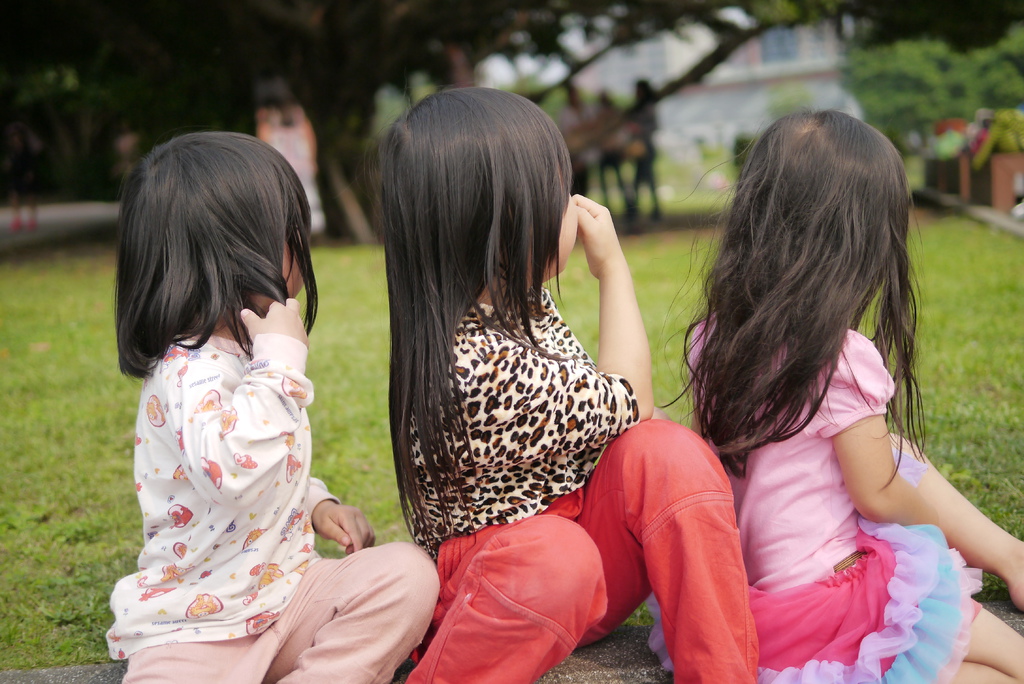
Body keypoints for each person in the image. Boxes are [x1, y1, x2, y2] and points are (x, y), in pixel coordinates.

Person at [377, 87, 757, 684]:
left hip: (581, 549)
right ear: (499, 223)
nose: (578, 208)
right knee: (560, 553)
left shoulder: (518, 303)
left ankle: (722, 674)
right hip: (506, 588)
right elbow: (629, 398)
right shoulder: (472, 368)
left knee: (668, 452)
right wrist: (612, 269)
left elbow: (624, 421)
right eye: (558, 195)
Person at [651, 109, 1024, 682]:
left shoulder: (712, 336)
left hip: (749, 606)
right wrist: (933, 535)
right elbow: (879, 495)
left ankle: (1012, 558)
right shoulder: (840, 357)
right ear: (861, 239)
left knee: (896, 450)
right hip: (833, 601)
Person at [107, 131, 438, 684]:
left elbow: (271, 460)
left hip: (291, 597)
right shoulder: (186, 371)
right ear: (235, 254)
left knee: (407, 573)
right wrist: (280, 362)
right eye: (290, 233)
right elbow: (233, 474)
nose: (302, 247)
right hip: (195, 629)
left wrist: (316, 502)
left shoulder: (248, 353)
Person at [256, 92, 327, 235]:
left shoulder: (272, 118)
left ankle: (298, 232)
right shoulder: (294, 115)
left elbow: (264, 141)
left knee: (293, 200)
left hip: (289, 166)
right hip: (292, 166)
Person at [595, 91, 635, 215]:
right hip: (605, 152)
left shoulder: (613, 115)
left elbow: (621, 133)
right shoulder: (600, 115)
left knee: (620, 182)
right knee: (608, 184)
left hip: (613, 151)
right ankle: (611, 208)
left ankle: (628, 207)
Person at [626, 80, 661, 224]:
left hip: (646, 148)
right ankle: (638, 210)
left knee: (648, 181)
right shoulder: (637, 107)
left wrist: (639, 129)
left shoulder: (648, 107)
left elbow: (654, 126)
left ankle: (652, 210)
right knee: (640, 182)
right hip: (639, 149)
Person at [558, 83, 600, 197]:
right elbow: (567, 130)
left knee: (584, 182)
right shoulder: (565, 112)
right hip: (573, 150)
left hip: (585, 149)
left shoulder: (586, 109)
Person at [5, 122, 41, 232]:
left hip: (27, 174)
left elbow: (37, 151)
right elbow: (10, 162)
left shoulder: (29, 146)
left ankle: (32, 219)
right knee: (14, 196)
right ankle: (17, 219)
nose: (15, 138)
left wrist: (31, 172)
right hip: (16, 175)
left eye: (17, 135)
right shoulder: (12, 149)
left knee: (30, 197)